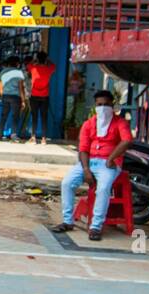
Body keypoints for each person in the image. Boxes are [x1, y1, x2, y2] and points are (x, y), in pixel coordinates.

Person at [52, 89, 132, 241]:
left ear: (112, 105)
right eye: (99, 105)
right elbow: (82, 149)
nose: (103, 108)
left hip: (109, 164)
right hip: (88, 162)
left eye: (106, 104)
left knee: (103, 189)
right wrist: (86, 169)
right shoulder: (89, 124)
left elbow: (127, 140)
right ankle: (67, 221)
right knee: (67, 183)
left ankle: (96, 226)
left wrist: (111, 158)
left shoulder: (120, 122)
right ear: (95, 106)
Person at [27, 50, 56, 145]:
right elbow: (53, 66)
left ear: (37, 59)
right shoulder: (49, 69)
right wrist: (47, 60)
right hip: (45, 96)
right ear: (45, 59)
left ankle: (33, 137)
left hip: (34, 96)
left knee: (34, 117)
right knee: (44, 117)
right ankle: (44, 139)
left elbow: (28, 65)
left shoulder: (33, 68)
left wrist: (34, 60)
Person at [0, 57, 27, 141]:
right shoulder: (19, 72)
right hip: (15, 97)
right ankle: (13, 135)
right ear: (17, 63)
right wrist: (23, 100)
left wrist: (2, 94)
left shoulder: (3, 71)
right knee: (15, 116)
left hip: (5, 96)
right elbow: (21, 88)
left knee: (4, 116)